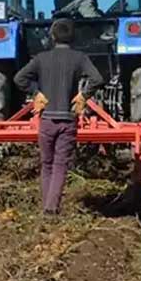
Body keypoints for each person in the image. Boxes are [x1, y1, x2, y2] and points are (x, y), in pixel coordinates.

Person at [14, 18, 105, 215]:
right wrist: (83, 95)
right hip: (68, 120)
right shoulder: (79, 58)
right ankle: (51, 208)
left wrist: (35, 92)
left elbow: (19, 78)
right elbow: (97, 79)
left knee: (46, 164)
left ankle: (47, 207)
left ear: (52, 36)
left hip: (46, 121)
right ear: (73, 37)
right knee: (60, 165)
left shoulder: (40, 58)